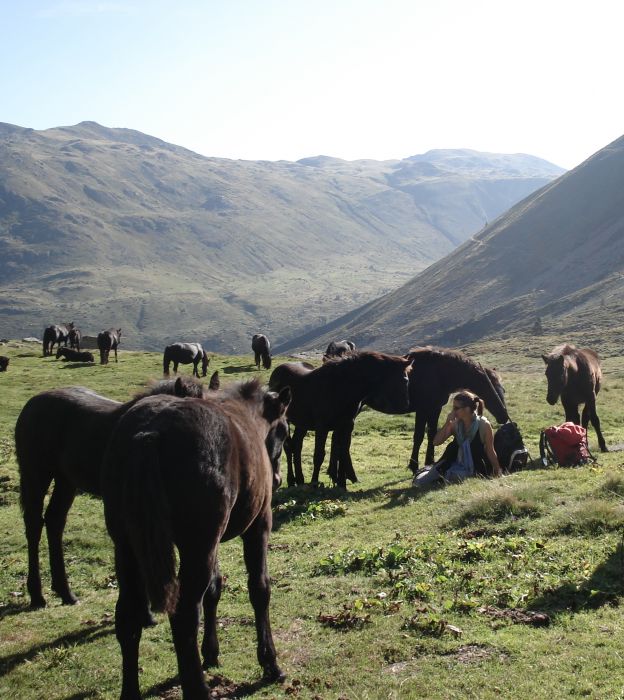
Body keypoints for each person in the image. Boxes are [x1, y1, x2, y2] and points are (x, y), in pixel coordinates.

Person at [412, 389, 502, 488]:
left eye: (456, 408)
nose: (453, 411)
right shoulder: (455, 424)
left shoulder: (483, 425)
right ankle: (434, 475)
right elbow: (436, 442)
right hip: (453, 462)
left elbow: (490, 450)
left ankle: (441, 479)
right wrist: (447, 423)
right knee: (420, 482)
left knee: (457, 477)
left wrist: (497, 470)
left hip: (475, 465)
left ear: (467, 409)